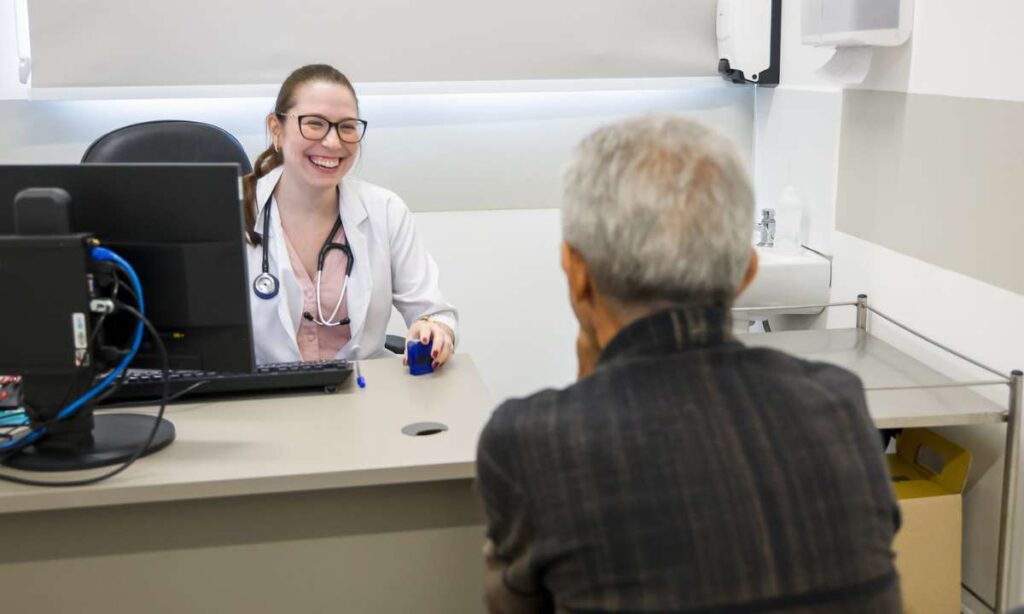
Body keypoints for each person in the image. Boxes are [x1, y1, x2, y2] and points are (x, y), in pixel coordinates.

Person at [475, 117, 901, 613]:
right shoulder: (839, 403)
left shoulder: (530, 440)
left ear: (576, 273)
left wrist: (589, 379)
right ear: (747, 273)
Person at [243, 64, 457, 366]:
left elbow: (434, 311)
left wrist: (433, 329)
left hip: (363, 393)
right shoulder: (233, 211)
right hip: (264, 399)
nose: (333, 142)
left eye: (346, 127)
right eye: (314, 124)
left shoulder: (385, 211)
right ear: (276, 129)